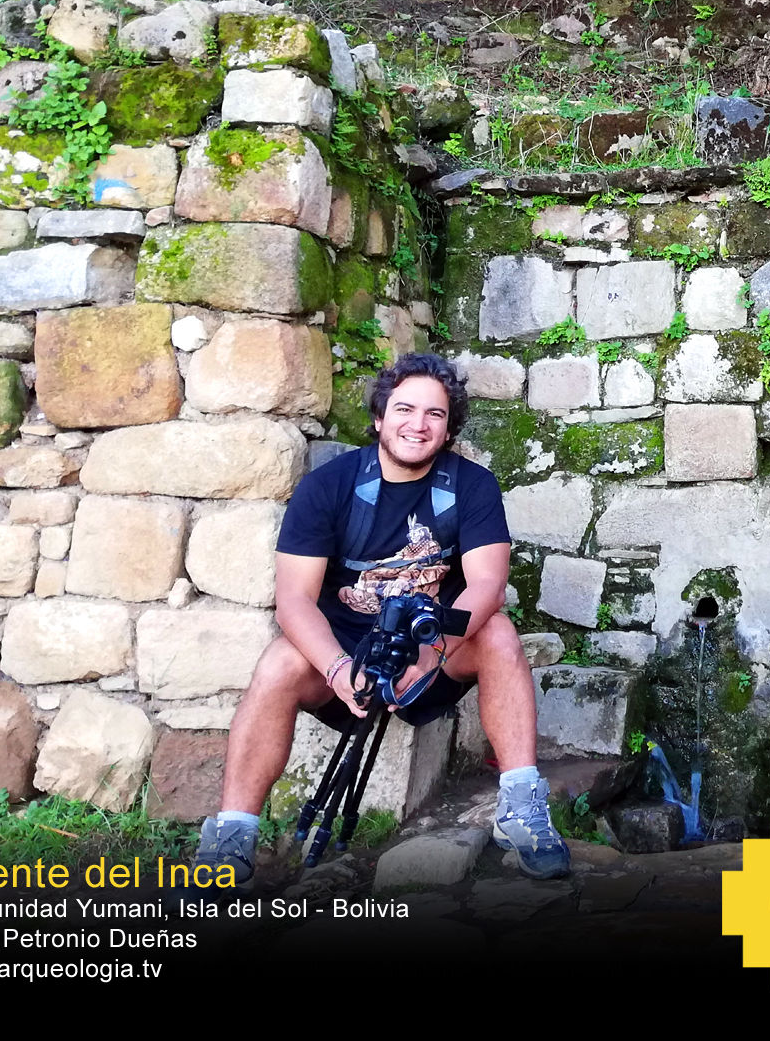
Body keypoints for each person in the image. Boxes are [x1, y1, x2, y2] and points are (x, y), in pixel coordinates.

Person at [193, 353, 570, 881]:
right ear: (379, 417)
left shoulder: (472, 486)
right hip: (345, 650)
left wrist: (432, 652)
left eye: (434, 415)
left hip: (433, 643)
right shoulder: (328, 486)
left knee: (500, 633)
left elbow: (487, 585)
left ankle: (521, 808)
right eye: (405, 409)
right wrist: (336, 669)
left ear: (448, 428)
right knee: (279, 664)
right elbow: (295, 600)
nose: (418, 425)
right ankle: (231, 836)